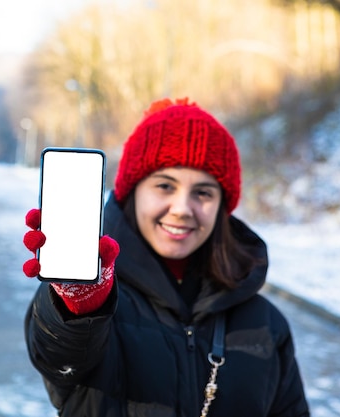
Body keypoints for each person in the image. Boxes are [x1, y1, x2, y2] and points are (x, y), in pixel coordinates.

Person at [22, 98, 310, 417]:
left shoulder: (266, 324)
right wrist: (79, 307)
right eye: (164, 186)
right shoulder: (99, 306)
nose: (182, 208)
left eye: (203, 192)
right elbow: (59, 355)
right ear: (132, 192)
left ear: (221, 207)